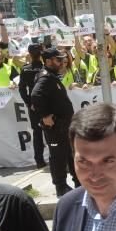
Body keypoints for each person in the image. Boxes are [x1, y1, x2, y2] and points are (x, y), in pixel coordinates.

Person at [30, 48, 79, 197]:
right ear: (48, 61)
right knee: (58, 157)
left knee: (70, 155)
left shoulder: (51, 76)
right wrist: (45, 115)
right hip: (56, 126)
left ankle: (78, 182)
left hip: (64, 125)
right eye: (58, 60)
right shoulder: (45, 77)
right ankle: (61, 187)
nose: (61, 62)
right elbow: (35, 95)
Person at [17, 45, 46, 167]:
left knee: (37, 132)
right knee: (48, 131)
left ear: (29, 53)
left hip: (34, 105)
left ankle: (39, 160)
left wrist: (29, 103)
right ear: (41, 53)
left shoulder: (26, 69)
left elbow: (22, 89)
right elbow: (22, 88)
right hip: (45, 104)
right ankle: (50, 158)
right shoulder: (45, 68)